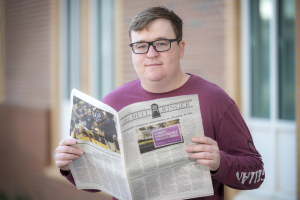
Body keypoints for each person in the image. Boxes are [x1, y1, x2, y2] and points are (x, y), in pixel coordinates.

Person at [55, 6, 265, 200]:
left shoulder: (214, 100)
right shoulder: (112, 104)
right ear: (132, 52)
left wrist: (220, 162)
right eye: (141, 45)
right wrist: (70, 165)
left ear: (181, 48)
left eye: (162, 43)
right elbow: (95, 185)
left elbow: (256, 172)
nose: (151, 53)